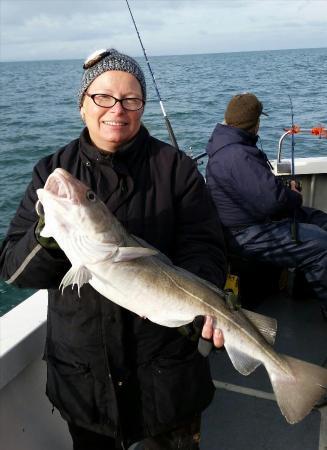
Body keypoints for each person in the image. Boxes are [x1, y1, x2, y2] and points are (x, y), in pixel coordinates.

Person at [0, 48, 227, 450]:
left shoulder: (177, 170)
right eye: (102, 97)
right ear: (82, 104)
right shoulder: (50, 170)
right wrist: (49, 236)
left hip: (167, 373)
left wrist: (194, 302)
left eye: (130, 99)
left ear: (141, 107)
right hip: (85, 383)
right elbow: (14, 270)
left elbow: (205, 248)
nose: (116, 109)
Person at [205, 92, 327, 320]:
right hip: (245, 234)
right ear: (256, 123)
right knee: (321, 245)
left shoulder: (232, 145)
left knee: (321, 220)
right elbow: (273, 202)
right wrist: (294, 196)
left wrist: (283, 190)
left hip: (257, 220)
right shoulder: (237, 155)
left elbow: (260, 189)